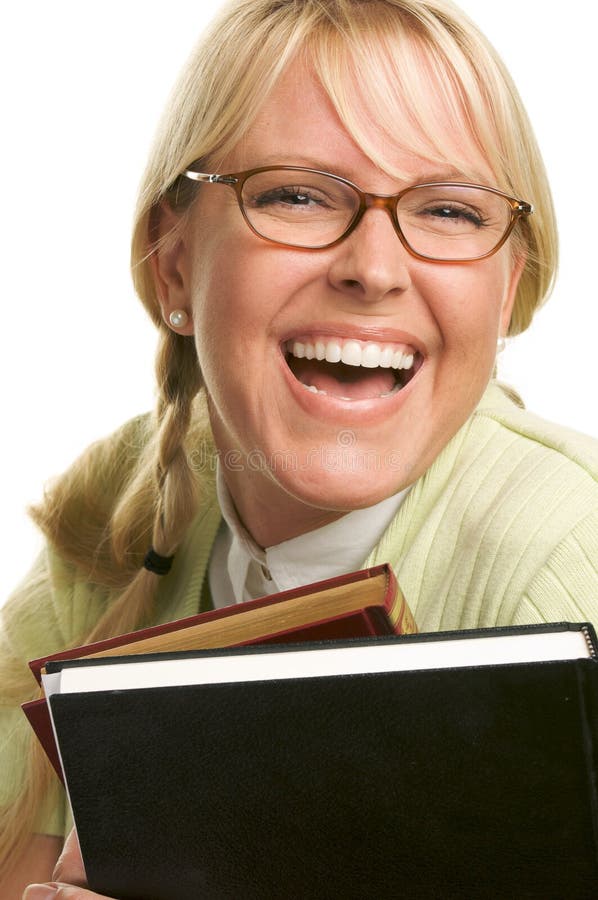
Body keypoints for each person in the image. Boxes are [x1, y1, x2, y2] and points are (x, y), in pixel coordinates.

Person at [2, 0, 596, 895]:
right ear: (173, 264)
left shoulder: (569, 558)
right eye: (296, 194)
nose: (376, 267)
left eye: (448, 210)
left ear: (510, 286)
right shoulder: (115, 523)